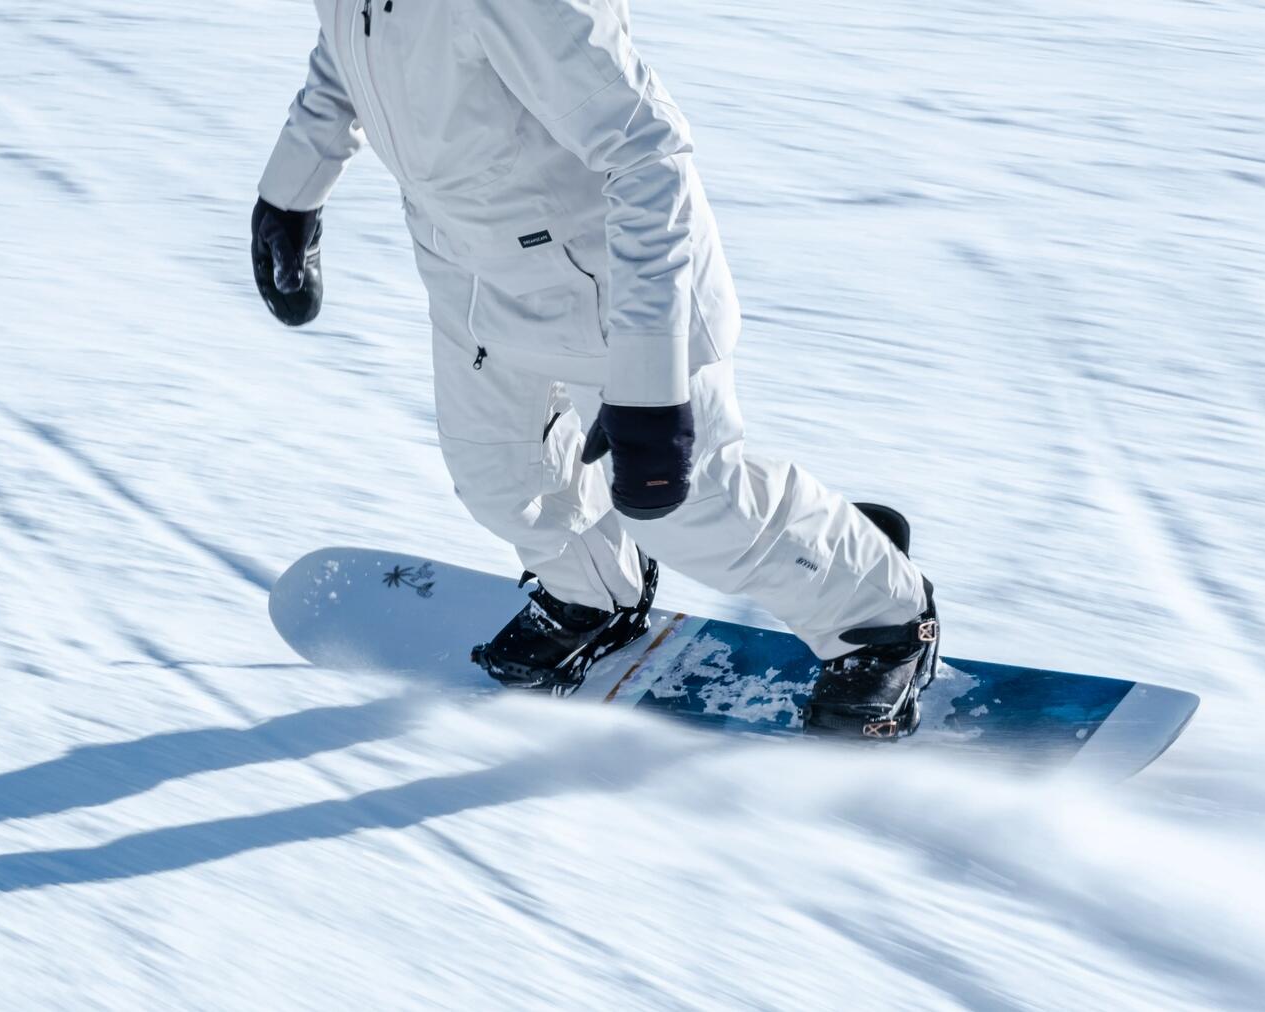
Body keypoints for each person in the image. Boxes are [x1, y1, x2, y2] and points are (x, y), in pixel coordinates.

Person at [251, 0, 939, 737]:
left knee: (686, 504)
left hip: (611, 272)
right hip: (469, 268)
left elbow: (646, 153)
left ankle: (882, 615)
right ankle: (594, 591)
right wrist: (291, 192)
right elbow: (352, 44)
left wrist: (649, 380)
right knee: (502, 479)